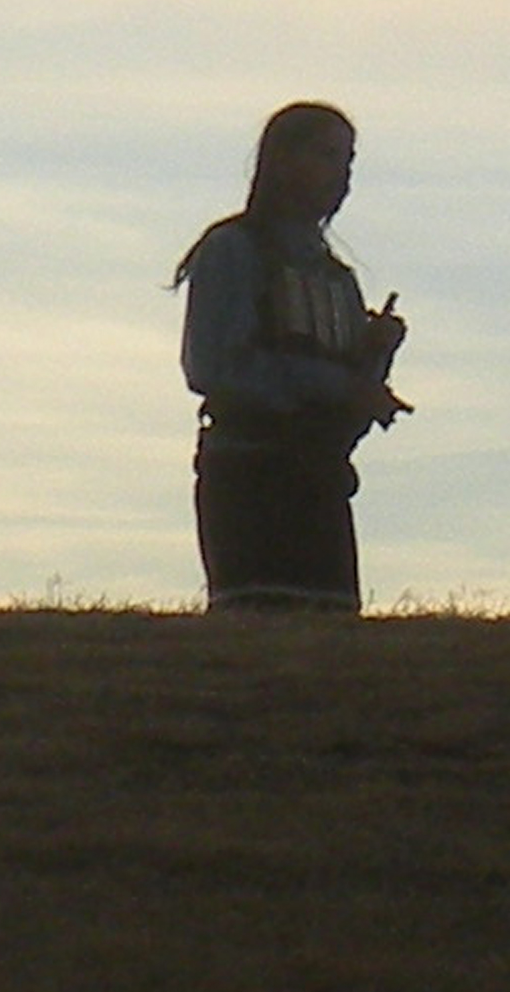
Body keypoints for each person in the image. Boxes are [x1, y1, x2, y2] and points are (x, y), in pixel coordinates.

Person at [174, 103, 411, 615]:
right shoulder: (232, 250)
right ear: (280, 161)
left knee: (329, 633)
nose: (341, 175)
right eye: (326, 156)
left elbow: (347, 412)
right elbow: (213, 367)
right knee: (257, 623)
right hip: (249, 474)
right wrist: (338, 385)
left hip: (320, 481)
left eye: (348, 161)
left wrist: (374, 362)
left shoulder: (337, 279)